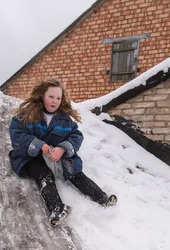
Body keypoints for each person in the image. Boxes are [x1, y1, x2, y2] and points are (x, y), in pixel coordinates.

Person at [9, 78, 117, 226]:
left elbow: (76, 136)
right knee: (43, 174)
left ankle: (102, 198)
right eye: (51, 97)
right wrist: (39, 145)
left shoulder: (64, 120)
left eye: (58, 98)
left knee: (75, 172)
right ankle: (57, 208)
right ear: (42, 96)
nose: (55, 101)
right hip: (31, 157)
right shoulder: (27, 115)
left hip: (56, 156)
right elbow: (17, 134)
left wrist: (62, 148)